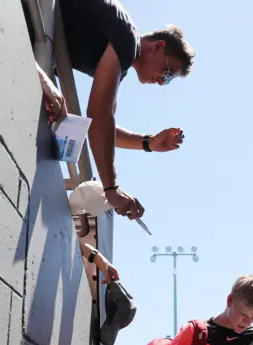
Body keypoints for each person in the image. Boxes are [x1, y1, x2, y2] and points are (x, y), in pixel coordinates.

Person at [39, 0, 195, 220]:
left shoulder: (121, 56)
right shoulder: (127, 39)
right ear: (158, 47)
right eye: (167, 72)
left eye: (167, 81)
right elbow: (100, 114)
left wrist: (148, 142)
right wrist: (111, 189)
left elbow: (103, 127)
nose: (161, 81)